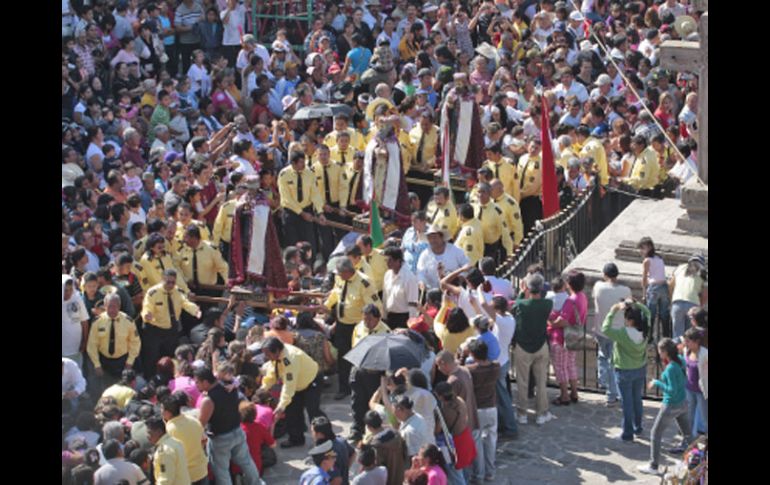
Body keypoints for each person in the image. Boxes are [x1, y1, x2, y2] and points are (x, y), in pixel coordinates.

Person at [321, 258, 381, 399]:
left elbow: (373, 305)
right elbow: (336, 292)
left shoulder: (364, 282)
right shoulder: (340, 278)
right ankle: (344, 388)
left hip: (358, 326)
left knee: (360, 357)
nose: (339, 275)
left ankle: (363, 389)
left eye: (341, 273)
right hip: (342, 324)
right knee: (343, 357)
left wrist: (371, 324)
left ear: (348, 271)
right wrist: (327, 305)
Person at [193, 367, 261, 484]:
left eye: (197, 382)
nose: (196, 385)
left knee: (221, 471)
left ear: (205, 382)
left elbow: (201, 424)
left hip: (220, 439)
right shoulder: (229, 387)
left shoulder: (208, 400)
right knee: (246, 462)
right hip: (237, 431)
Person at [258, 337, 327, 448]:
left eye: (267, 353)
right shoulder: (276, 357)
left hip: (311, 381)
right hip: (297, 385)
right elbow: (272, 373)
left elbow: (288, 385)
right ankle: (296, 439)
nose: (266, 356)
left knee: (313, 411)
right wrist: (263, 389)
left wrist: (281, 405)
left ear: (276, 351)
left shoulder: (290, 358)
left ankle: (325, 439)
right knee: (292, 411)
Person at [638, 338, 692, 476]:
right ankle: (695, 461)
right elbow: (684, 380)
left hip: (671, 405)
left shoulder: (670, 369)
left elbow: (671, 390)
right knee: (688, 435)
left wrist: (657, 383)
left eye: (659, 351)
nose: (658, 354)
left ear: (665, 352)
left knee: (655, 434)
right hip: (683, 403)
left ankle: (653, 466)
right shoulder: (681, 360)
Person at [602, 301, 651, 442]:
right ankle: (638, 428)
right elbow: (647, 313)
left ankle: (627, 433)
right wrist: (636, 303)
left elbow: (605, 329)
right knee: (637, 400)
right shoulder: (645, 329)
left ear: (630, 321)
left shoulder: (623, 333)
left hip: (624, 370)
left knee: (627, 403)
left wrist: (613, 309)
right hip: (640, 368)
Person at [141, 269, 201, 379]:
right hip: (155, 329)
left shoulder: (177, 291)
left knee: (172, 354)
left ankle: (171, 377)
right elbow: (147, 306)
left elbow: (185, 303)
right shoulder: (153, 292)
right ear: (162, 279)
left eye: (173, 282)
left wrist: (195, 310)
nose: (171, 285)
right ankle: (150, 379)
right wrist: (147, 315)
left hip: (171, 329)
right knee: (151, 357)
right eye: (168, 282)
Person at [512, 273, 554, 425]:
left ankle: (522, 413)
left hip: (523, 346)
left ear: (528, 288)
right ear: (541, 288)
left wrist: (523, 291)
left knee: (522, 381)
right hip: (541, 345)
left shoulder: (522, 304)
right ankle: (541, 413)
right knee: (541, 381)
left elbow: (517, 304)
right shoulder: (547, 304)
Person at [592, 263, 632, 407]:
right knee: (616, 362)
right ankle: (616, 393)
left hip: (602, 330)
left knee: (606, 357)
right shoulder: (625, 290)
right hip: (619, 331)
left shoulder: (598, 287)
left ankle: (608, 388)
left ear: (605, 275)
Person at [546, 270, 588, 406]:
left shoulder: (571, 301)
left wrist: (551, 323)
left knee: (560, 366)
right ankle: (574, 392)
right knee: (570, 364)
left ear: (569, 284)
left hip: (561, 337)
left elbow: (562, 321)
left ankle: (564, 395)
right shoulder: (582, 297)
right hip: (575, 335)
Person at [86, 293, 142, 395]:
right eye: (109, 306)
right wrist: (97, 364)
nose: (112, 309)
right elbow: (92, 345)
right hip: (104, 362)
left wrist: (130, 362)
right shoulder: (97, 322)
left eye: (115, 306)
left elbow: (135, 343)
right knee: (106, 390)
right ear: (105, 306)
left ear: (119, 306)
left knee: (123, 389)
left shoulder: (128, 321)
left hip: (122, 362)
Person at [465, 339, 499, 482]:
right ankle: (490, 472)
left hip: (477, 410)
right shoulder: (496, 366)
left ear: (473, 354)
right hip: (492, 409)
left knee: (477, 442)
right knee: (491, 441)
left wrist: (462, 355)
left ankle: (478, 475)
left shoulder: (470, 370)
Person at [161, 395, 209, 485]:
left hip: (185, 477)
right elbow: (204, 440)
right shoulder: (194, 421)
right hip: (201, 471)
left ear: (168, 412)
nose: (161, 412)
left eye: (162, 409)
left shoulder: (169, 430)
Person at [362, 410, 407, 485]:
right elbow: (404, 453)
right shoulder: (396, 434)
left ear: (369, 427)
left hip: (386, 480)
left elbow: (376, 468)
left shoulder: (376, 446)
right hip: (399, 476)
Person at [639, 237, 670, 342]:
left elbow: (644, 278)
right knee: (664, 314)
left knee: (650, 314)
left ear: (650, 247)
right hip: (664, 287)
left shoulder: (646, 261)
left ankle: (649, 336)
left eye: (643, 248)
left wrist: (644, 294)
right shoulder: (659, 258)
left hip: (654, 288)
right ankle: (666, 336)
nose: (641, 251)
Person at [669, 254, 707, 340]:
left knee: (677, 335)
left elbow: (670, 285)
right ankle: (687, 352)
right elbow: (705, 294)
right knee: (690, 335)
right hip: (693, 305)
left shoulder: (680, 268)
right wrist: (699, 308)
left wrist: (672, 300)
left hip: (677, 302)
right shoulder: (703, 272)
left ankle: (676, 352)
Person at [145, 416, 191, 485]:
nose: (147, 436)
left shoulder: (164, 452)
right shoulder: (176, 442)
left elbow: (165, 480)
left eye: (149, 433)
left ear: (159, 432)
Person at [312, 416, 356, 485]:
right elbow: (353, 454)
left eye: (313, 432)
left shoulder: (327, 452)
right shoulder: (341, 440)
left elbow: (336, 479)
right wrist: (345, 469)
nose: (313, 434)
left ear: (320, 434)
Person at [382, 247, 419, 329]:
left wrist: (412, 324)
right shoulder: (387, 275)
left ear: (398, 261)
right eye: (386, 260)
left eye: (390, 260)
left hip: (403, 318)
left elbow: (412, 303)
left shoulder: (409, 278)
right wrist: (384, 316)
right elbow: (385, 297)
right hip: (390, 317)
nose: (387, 263)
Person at [238, 401, 275, 477]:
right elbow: (273, 445)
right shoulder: (259, 427)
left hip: (238, 466)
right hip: (255, 465)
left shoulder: (236, 428)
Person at [683, 327, 708, 437]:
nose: (686, 343)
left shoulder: (705, 354)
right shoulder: (686, 351)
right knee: (689, 418)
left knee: (705, 418)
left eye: (688, 341)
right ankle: (687, 442)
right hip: (689, 389)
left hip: (701, 392)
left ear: (697, 341)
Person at [393, 395, 435, 459]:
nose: (394, 415)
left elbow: (414, 457)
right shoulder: (415, 416)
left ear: (400, 410)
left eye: (394, 412)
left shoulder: (410, 432)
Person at [63, 274, 90, 368]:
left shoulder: (77, 299)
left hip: (76, 347)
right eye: (65, 290)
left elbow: (84, 321)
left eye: (70, 289)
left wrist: (85, 341)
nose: (68, 293)